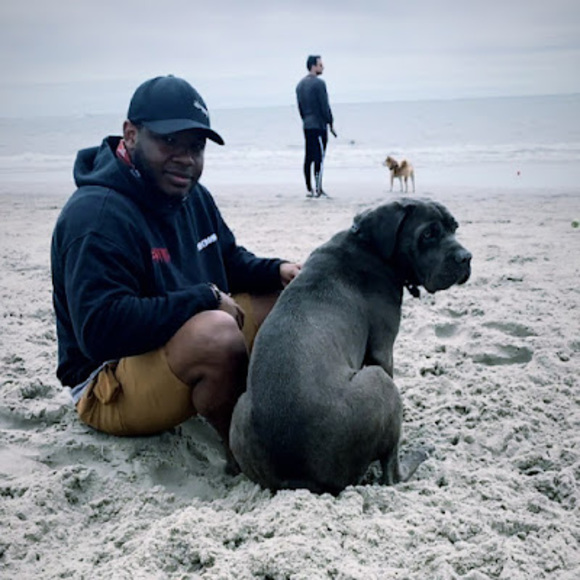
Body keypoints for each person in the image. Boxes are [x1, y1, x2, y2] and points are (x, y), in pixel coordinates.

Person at [51, 75, 301, 472]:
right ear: (131, 135)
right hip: (107, 383)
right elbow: (100, 330)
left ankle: (287, 420)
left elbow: (227, 261)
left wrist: (280, 270)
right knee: (217, 333)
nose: (186, 158)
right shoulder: (96, 216)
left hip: (170, 347)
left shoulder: (189, 194)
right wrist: (203, 298)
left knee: (290, 301)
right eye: (169, 141)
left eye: (196, 146)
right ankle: (246, 456)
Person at [295, 55, 337, 198]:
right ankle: (318, 189)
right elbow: (324, 105)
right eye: (320, 65)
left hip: (307, 125)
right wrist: (330, 122)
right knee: (319, 157)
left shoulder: (300, 85)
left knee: (309, 156)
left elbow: (300, 108)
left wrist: (305, 120)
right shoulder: (319, 84)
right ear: (313, 66)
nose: (322, 67)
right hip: (319, 125)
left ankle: (309, 189)